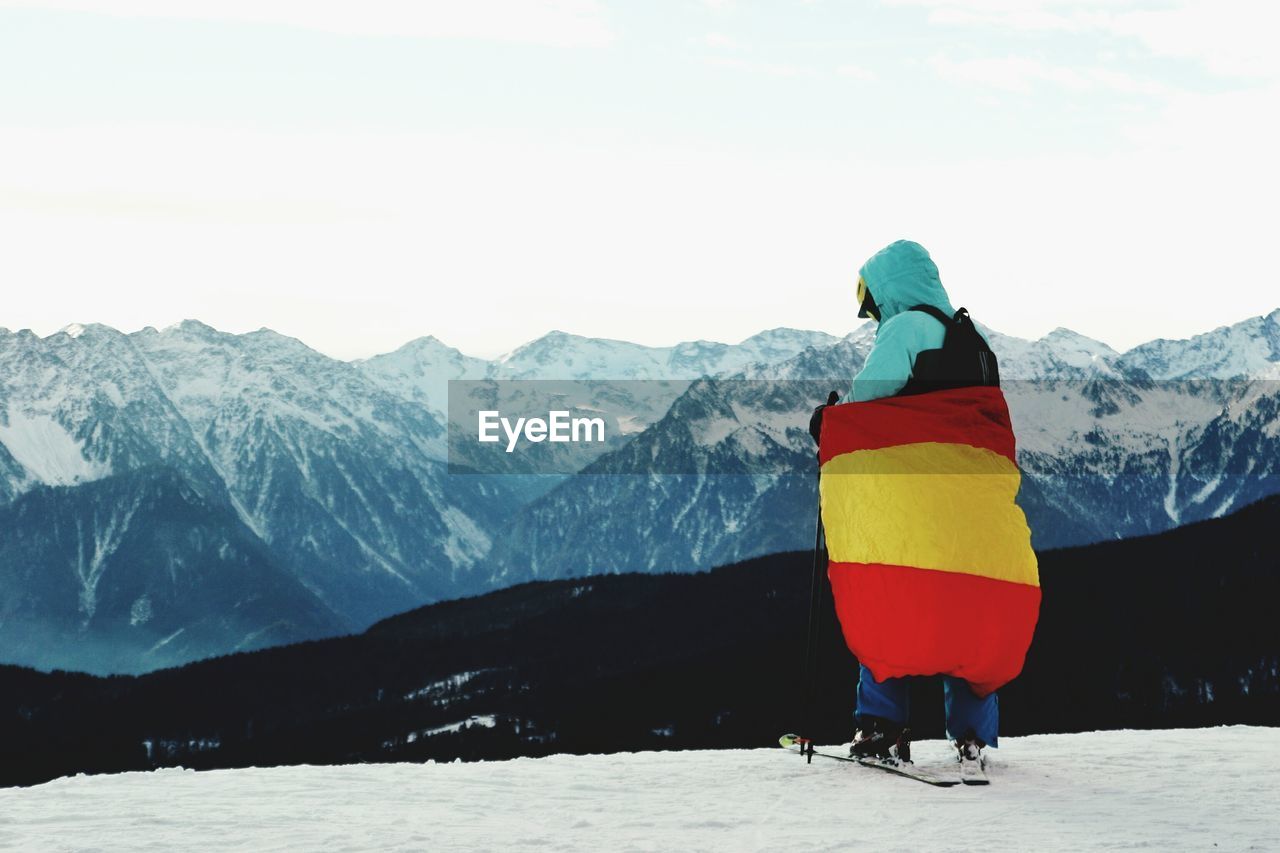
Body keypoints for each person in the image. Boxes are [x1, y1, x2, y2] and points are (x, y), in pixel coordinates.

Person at [825, 239, 999, 773]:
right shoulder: (974, 340)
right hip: (972, 502)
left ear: (889, 290)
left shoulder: (905, 330)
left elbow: (866, 402)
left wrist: (825, 424)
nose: (871, 313)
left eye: (871, 301)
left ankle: (881, 728)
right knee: (967, 611)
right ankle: (971, 736)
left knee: (890, 601)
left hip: (911, 500)